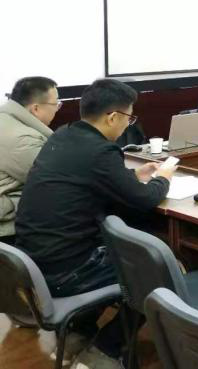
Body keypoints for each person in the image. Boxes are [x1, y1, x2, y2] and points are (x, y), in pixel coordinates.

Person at [15, 79, 176, 369]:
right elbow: (145, 199)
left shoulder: (64, 135)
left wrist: (133, 177)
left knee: (120, 251)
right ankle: (106, 349)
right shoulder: (101, 151)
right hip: (66, 272)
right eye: (129, 118)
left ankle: (78, 332)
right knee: (154, 273)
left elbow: (89, 179)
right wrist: (163, 177)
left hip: (35, 261)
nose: (128, 124)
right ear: (112, 117)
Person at [0, 77, 60, 245]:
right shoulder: (23, 139)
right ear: (36, 108)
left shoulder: (5, 120)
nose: (57, 109)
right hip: (9, 231)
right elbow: (56, 183)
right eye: (56, 104)